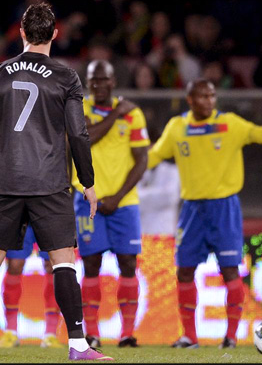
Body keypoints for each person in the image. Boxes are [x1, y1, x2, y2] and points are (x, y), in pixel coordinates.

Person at [0, 3, 113, 361]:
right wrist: (88, 181)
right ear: (56, 34)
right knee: (64, 263)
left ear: (21, 33)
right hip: (51, 184)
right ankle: (78, 346)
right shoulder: (66, 76)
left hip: (7, 184)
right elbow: (78, 133)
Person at [147, 78, 262, 349]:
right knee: (185, 271)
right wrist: (119, 172)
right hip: (192, 210)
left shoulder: (230, 124)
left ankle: (231, 337)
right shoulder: (178, 127)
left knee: (230, 271)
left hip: (224, 208)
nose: (209, 101)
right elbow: (152, 156)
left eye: (212, 96)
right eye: (203, 96)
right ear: (190, 100)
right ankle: (189, 336)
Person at [71, 59, 149, 348]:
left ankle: (127, 333)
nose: (98, 85)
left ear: (113, 81)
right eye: (93, 80)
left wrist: (117, 197)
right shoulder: (78, 108)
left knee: (128, 262)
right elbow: (85, 139)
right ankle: (91, 333)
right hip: (86, 199)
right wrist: (116, 113)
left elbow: (142, 160)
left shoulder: (135, 115)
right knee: (91, 263)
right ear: (87, 83)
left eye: (103, 80)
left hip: (124, 202)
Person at [0, 226, 63, 349]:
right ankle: (10, 332)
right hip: (21, 215)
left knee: (53, 266)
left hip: (47, 213)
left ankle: (51, 334)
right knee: (15, 265)